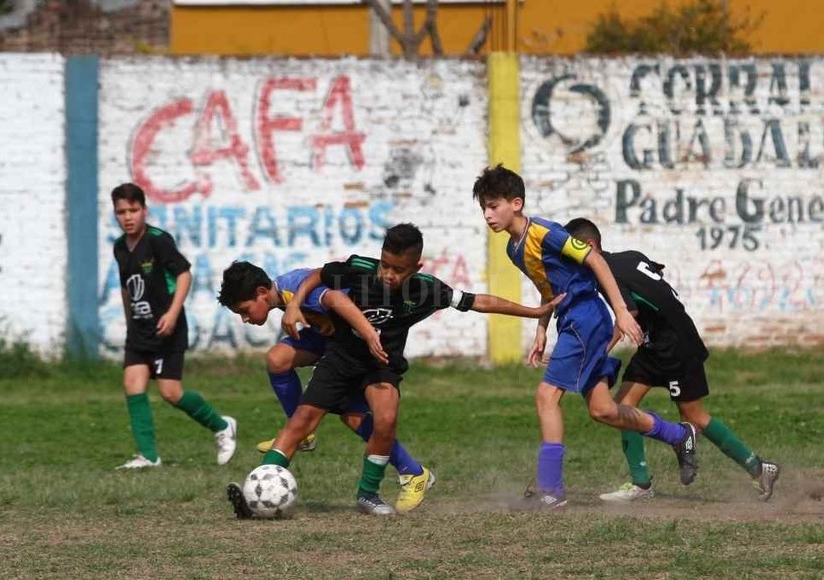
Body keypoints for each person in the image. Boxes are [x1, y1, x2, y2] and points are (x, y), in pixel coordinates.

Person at [226, 223, 562, 517]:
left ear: (415, 267)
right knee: (300, 422)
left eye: (397, 270)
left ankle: (368, 494)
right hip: (340, 360)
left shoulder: (427, 290)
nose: (387, 274)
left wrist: (534, 312)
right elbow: (322, 276)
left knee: (385, 417)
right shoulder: (359, 269)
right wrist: (300, 303)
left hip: (381, 364)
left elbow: (478, 301)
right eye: (384, 264)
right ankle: (256, 489)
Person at [471, 164, 698, 510]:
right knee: (603, 410)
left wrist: (621, 310)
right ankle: (678, 435)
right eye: (484, 208)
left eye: (493, 206)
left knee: (546, 397)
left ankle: (551, 491)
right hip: (571, 320)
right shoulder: (514, 248)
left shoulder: (545, 232)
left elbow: (595, 259)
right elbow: (549, 289)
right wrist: (541, 329)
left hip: (586, 320)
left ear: (516, 203)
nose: (488, 215)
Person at [564, 217, 781, 502]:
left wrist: (598, 352)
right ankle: (641, 484)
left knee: (694, 416)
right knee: (621, 407)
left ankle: (758, 468)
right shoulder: (630, 256)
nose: (571, 262)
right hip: (654, 343)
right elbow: (653, 275)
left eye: (572, 254)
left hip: (677, 343)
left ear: (589, 246)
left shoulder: (605, 272)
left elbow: (628, 314)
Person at [216, 261, 436, 512]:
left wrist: (367, 334)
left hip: (352, 350)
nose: (245, 319)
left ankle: (412, 471)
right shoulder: (283, 295)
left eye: (244, 310)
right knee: (278, 359)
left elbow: (333, 298)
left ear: (262, 293)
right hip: (330, 343)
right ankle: (299, 443)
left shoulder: (291, 289)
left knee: (353, 417)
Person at [111, 182, 237, 469]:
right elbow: (126, 288)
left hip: (168, 328)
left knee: (170, 392)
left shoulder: (158, 240)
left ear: (144, 210)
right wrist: (129, 321)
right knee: (133, 384)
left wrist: (172, 312)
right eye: (121, 212)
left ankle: (222, 426)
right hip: (139, 330)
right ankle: (149, 456)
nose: (128, 217)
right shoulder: (120, 248)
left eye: (133, 210)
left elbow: (184, 275)